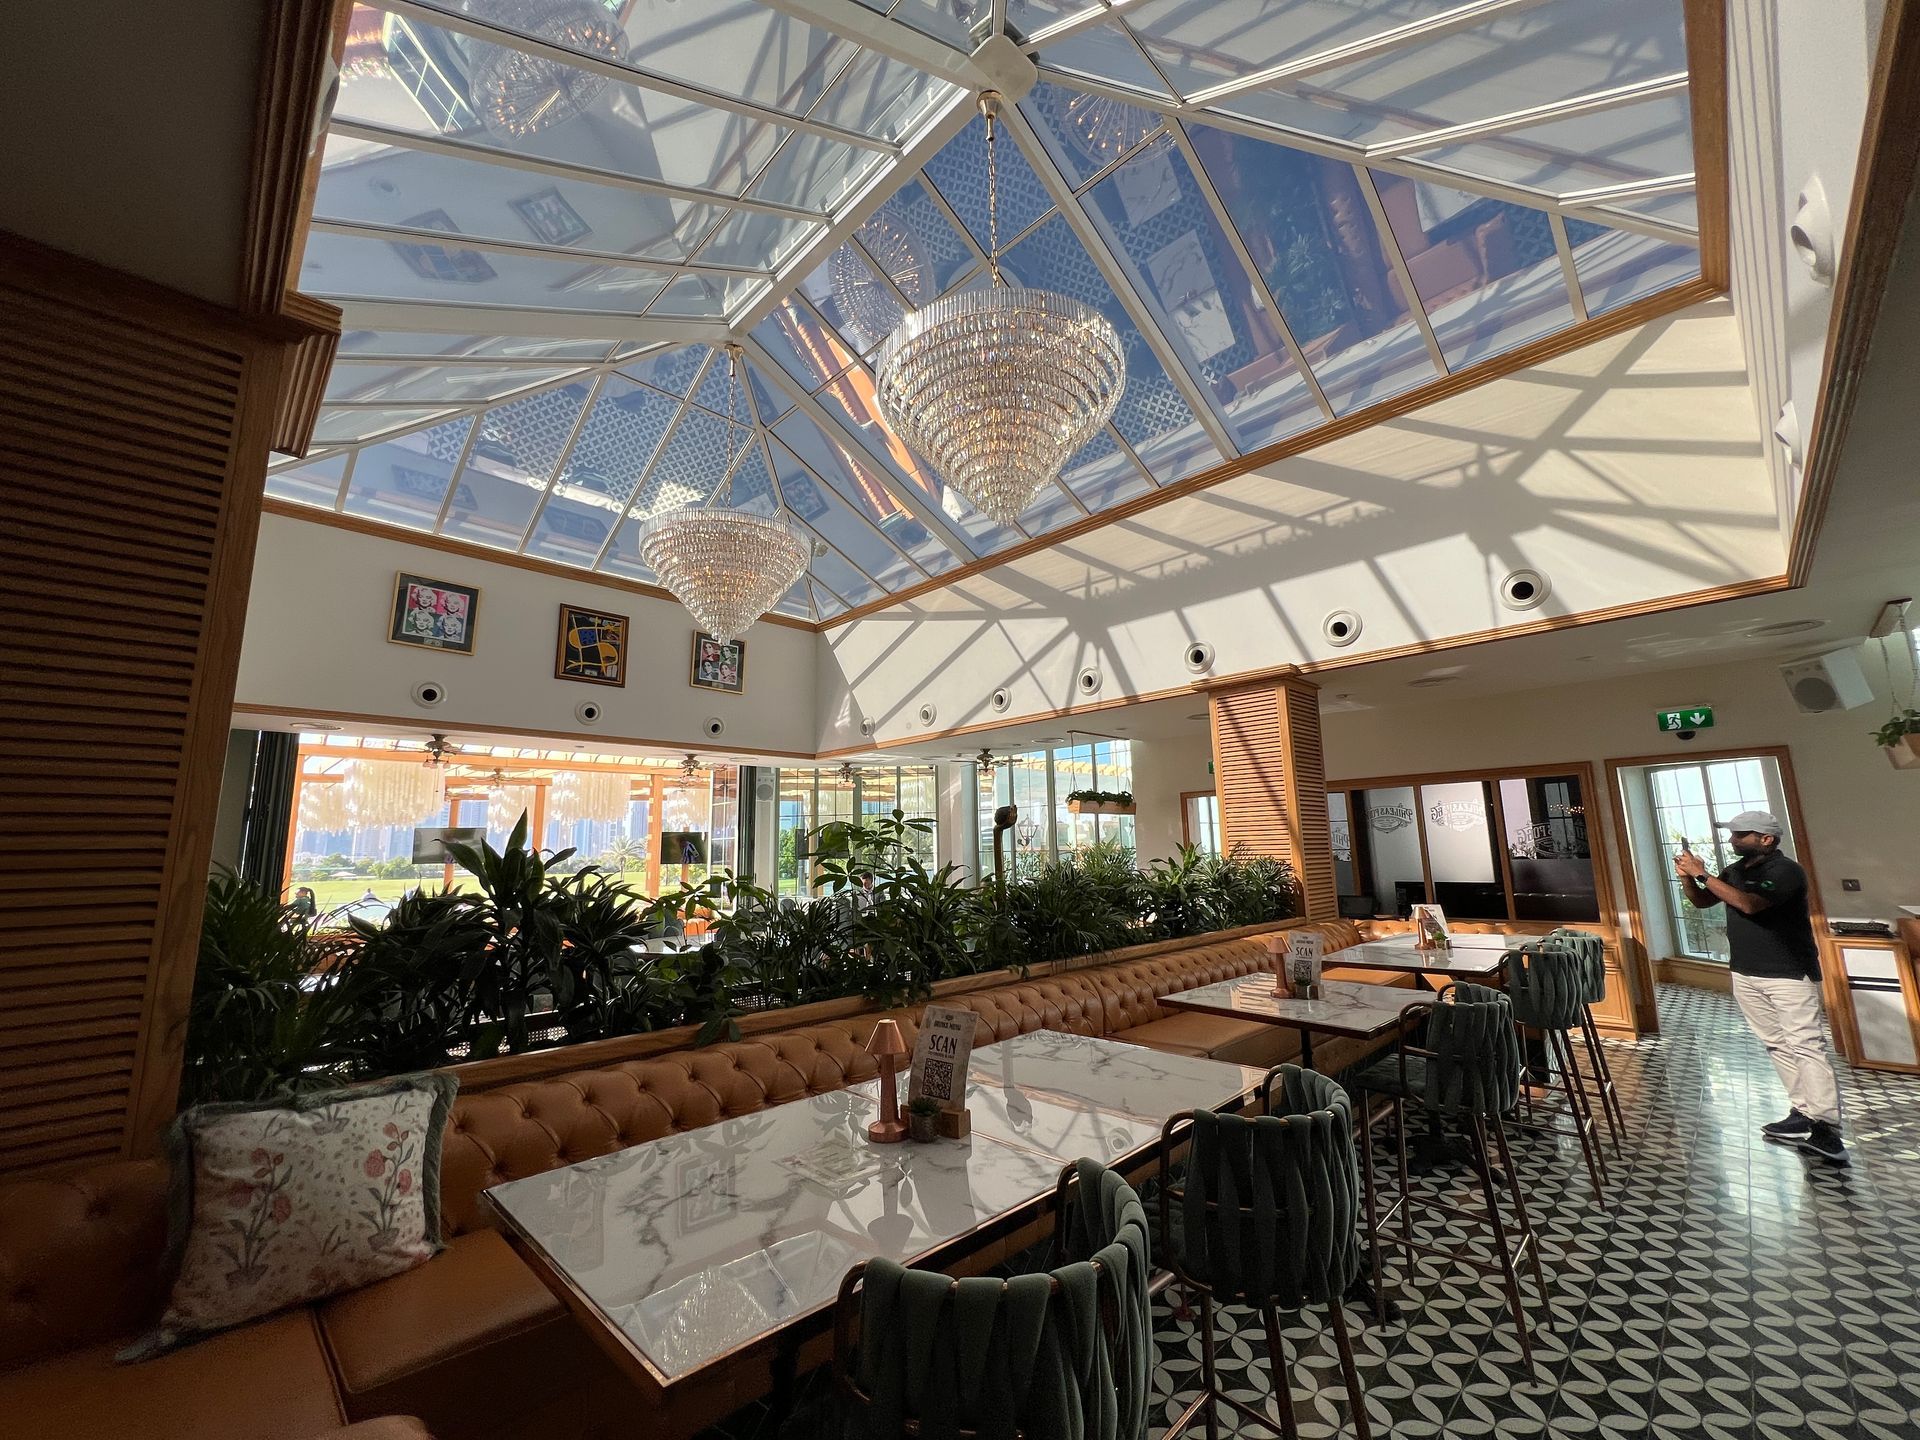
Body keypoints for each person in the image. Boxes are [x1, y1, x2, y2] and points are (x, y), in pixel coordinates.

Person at [1674, 810, 1845, 1163]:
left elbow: (1750, 905)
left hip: (1787, 972)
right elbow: (1704, 901)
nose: (1733, 840)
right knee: (1776, 1044)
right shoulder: (1736, 871)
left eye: (1741, 835)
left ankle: (1827, 1128)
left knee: (1806, 1044)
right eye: (1733, 834)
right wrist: (1688, 879)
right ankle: (1802, 1111)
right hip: (1746, 972)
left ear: (1766, 839)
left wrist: (1702, 873)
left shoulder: (1786, 872)